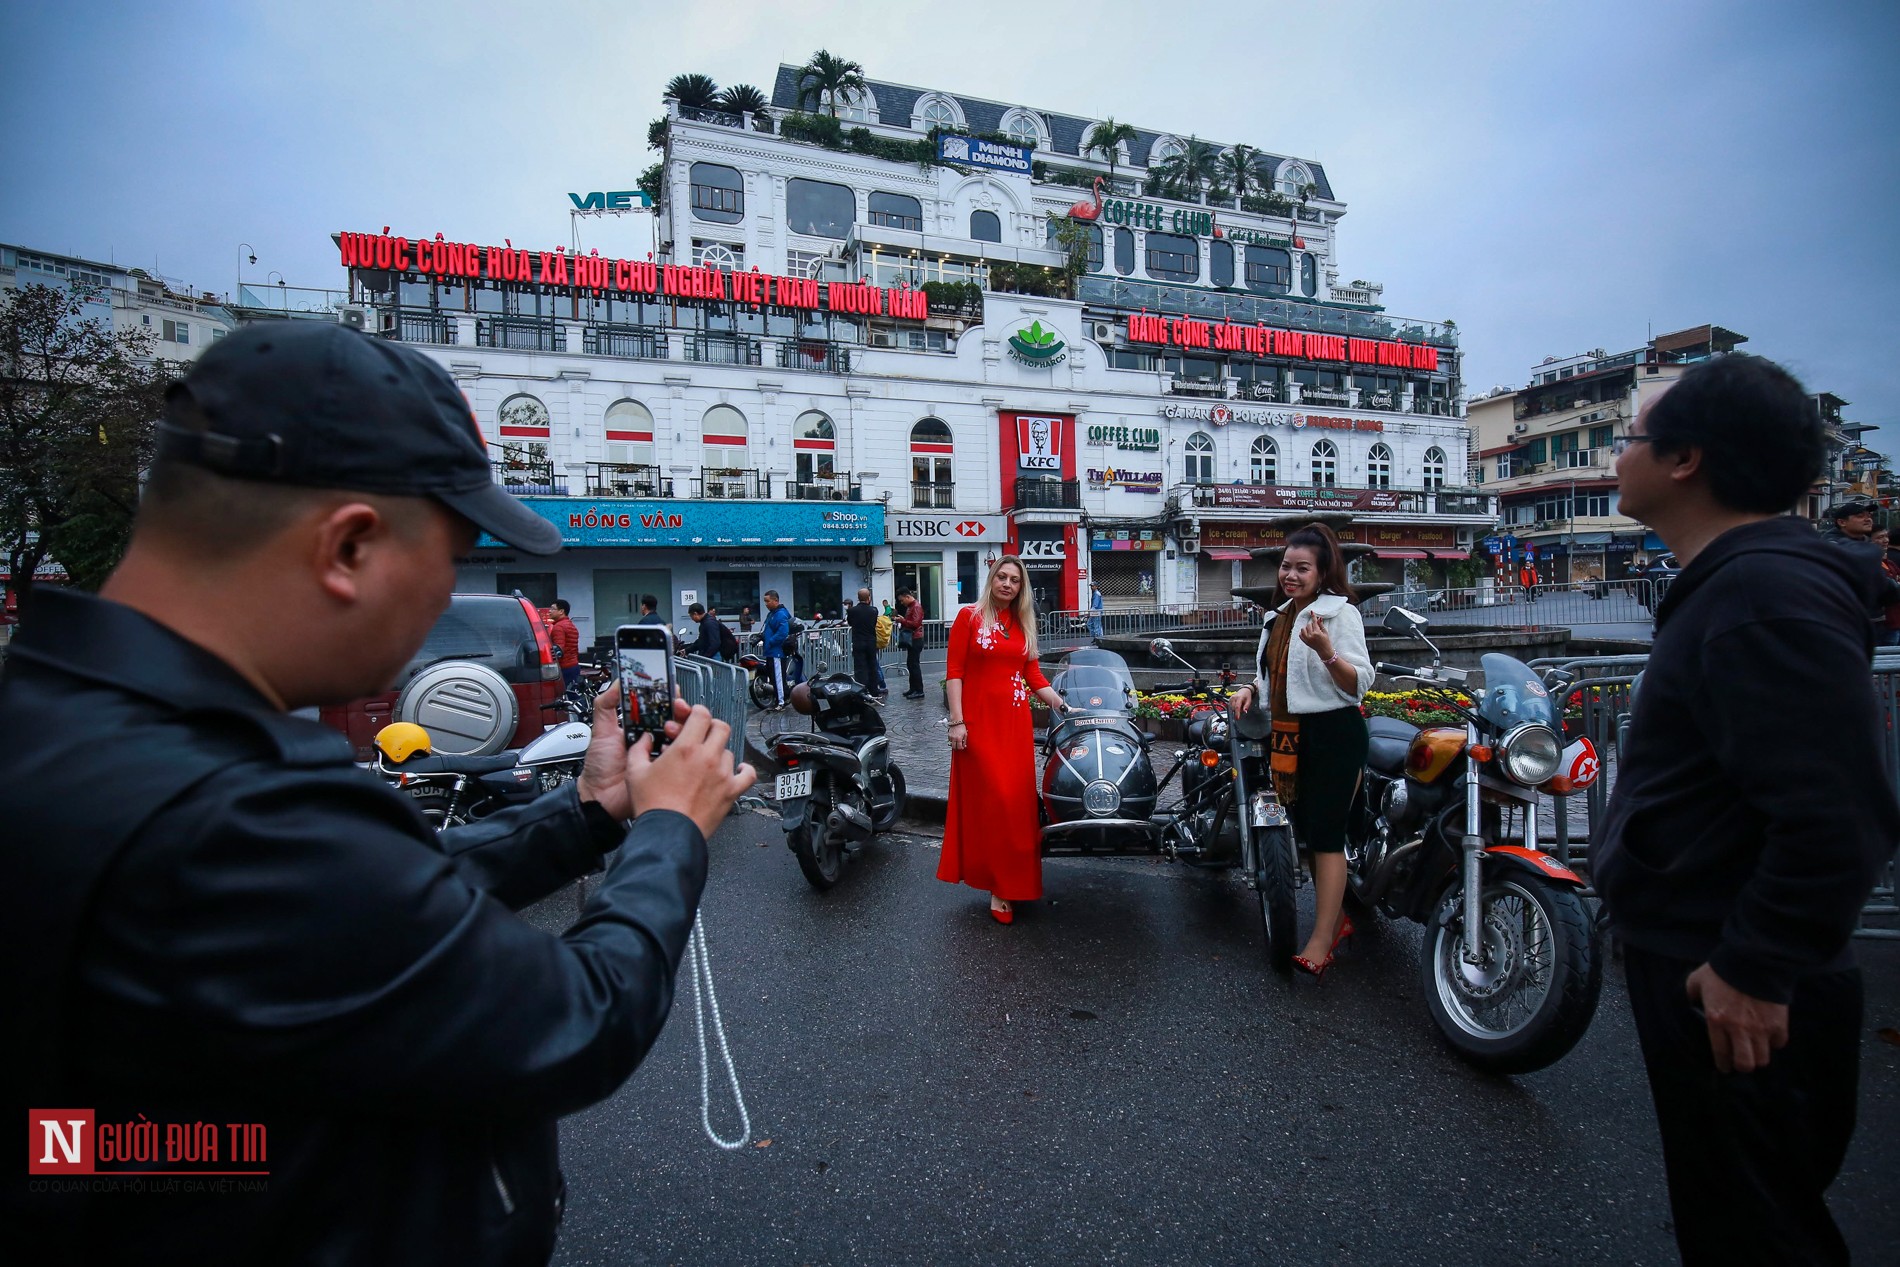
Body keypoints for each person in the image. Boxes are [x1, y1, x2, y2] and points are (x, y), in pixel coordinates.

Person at [0, 321, 755, 1265]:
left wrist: (592, 814)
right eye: (447, 562)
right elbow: (576, 1017)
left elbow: (383, 905)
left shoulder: (77, 722)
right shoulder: (231, 812)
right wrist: (671, 830)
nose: (443, 603)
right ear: (349, 546)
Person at [1593, 354, 1899, 1266]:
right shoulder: (1739, 583)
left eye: (1631, 439)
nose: (1618, 457)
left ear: (1685, 459)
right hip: (1704, 954)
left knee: (1758, 1232)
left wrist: (1756, 969)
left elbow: (1836, 811)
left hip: (1727, 975)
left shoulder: (1762, 595)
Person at [1230, 523, 1373, 977]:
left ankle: (1322, 936)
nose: (1290, 575)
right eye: (1287, 567)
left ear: (1323, 570)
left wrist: (1328, 651)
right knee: (1309, 834)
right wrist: (1252, 689)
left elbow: (1359, 685)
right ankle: (1338, 919)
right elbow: (1272, 675)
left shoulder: (1339, 615)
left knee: (1328, 838)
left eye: (1302, 568)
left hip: (1333, 734)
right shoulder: (1278, 619)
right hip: (1288, 737)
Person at [938, 556, 1067, 923]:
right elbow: (955, 671)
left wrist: (1062, 703)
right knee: (994, 803)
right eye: (1002, 577)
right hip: (977, 725)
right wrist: (957, 722)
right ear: (991, 580)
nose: (1007, 584)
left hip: (1014, 724)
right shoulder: (970, 617)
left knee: (1016, 807)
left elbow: (1033, 674)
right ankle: (997, 887)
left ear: (1021, 587)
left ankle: (1012, 883)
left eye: (1014, 579)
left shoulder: (1023, 623)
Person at [1820, 497, 1899, 642]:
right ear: (1842, 522)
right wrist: (1893, 587)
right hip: (1845, 622)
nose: (1868, 519)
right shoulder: (1832, 545)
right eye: (1860, 516)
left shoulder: (1866, 544)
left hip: (1874, 619)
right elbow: (1867, 577)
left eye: (1869, 516)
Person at [846, 587, 882, 699]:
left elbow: (851, 623)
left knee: (860, 668)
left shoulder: (851, 611)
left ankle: (861, 692)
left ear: (858, 598)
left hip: (858, 641)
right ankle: (874, 691)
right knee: (872, 666)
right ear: (869, 597)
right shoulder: (874, 610)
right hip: (871, 641)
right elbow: (874, 623)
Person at [761, 589, 792, 709]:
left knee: (778, 677)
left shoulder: (780, 614)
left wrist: (771, 641)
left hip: (776, 652)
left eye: (767, 601)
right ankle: (779, 699)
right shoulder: (772, 614)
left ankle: (781, 702)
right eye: (765, 601)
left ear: (775, 601)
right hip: (771, 650)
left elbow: (782, 633)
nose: (766, 604)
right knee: (774, 677)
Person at [897, 589, 926, 699]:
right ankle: (914, 688)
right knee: (911, 664)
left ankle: (918, 690)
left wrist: (903, 621)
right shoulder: (912, 606)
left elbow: (915, 623)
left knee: (914, 664)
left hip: (916, 639)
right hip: (914, 638)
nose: (902, 602)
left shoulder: (916, 607)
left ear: (907, 596)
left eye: (902, 600)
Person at [547, 598, 582, 688]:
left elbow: (558, 650)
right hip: (574, 665)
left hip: (564, 667)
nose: (549, 611)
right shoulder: (570, 625)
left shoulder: (558, 627)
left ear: (561, 611)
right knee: (573, 694)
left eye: (552, 609)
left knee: (567, 695)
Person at [1875, 527, 1900, 648]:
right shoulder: (1870, 565)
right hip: (1883, 623)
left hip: (1894, 622)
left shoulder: (1890, 563)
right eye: (1880, 537)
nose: (1885, 540)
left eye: (1886, 536)